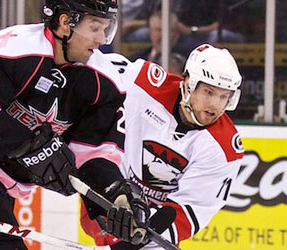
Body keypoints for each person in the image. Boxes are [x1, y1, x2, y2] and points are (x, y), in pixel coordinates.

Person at [0, 0, 138, 249]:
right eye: (95, 28)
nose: (102, 39)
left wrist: (116, 197)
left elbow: (93, 156)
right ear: (64, 22)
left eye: (107, 28)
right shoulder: (14, 47)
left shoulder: (105, 83)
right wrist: (31, 145)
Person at [81, 44, 245, 249]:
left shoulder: (224, 149)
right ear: (188, 84)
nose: (215, 105)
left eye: (224, 96)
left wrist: (135, 241)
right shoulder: (143, 84)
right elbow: (90, 65)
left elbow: (188, 211)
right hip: (108, 195)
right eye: (208, 92)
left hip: (153, 232)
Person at [129, 9, 186, 75]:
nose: (163, 34)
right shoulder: (137, 59)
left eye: (168, 30)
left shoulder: (186, 61)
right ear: (150, 33)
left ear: (177, 34)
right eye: (158, 30)